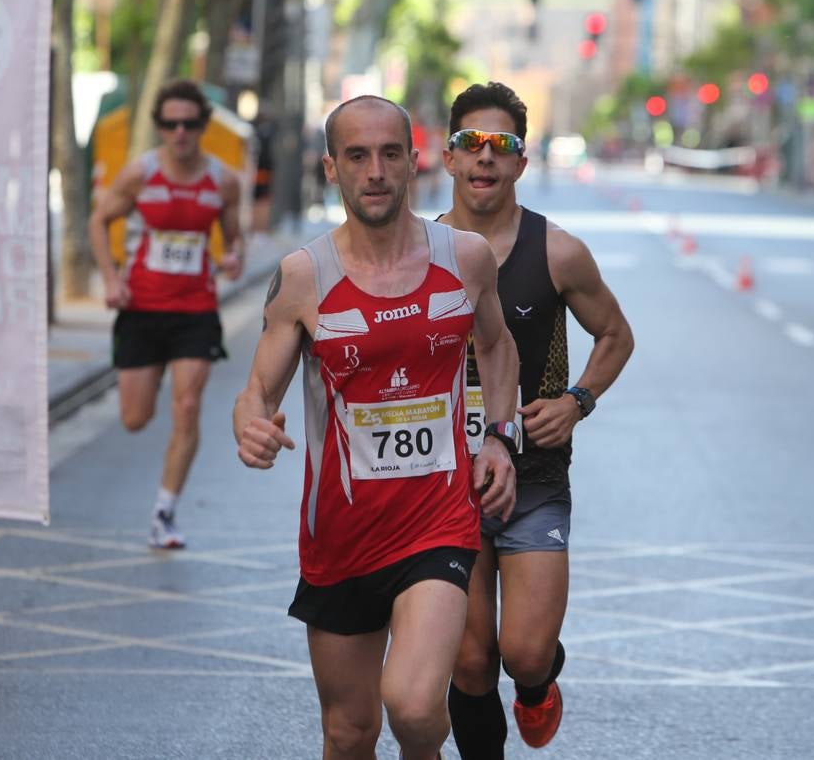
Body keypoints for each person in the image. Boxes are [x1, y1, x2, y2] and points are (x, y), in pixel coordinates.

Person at [234, 95, 521, 760]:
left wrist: (502, 438)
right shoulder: (304, 277)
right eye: (357, 156)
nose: (376, 171)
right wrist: (250, 426)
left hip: (437, 523)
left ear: (414, 163)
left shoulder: (467, 258)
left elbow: (499, 346)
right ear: (330, 168)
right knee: (348, 731)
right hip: (338, 537)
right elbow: (256, 392)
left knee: (417, 709)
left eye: (390, 153)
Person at [438, 82, 634, 757]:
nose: (485, 158)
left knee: (520, 653)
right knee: (467, 662)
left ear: (522, 162)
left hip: (534, 477)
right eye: (472, 144)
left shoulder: (558, 252)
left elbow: (616, 335)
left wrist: (577, 401)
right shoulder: (417, 253)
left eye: (503, 146)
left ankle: (537, 679)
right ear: (448, 158)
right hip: (446, 485)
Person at [88, 79, 244, 548]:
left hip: (195, 311)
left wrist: (232, 256)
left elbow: (234, 237)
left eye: (190, 123)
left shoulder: (223, 180)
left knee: (188, 405)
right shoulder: (139, 174)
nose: (180, 133)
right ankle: (151, 374)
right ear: (159, 126)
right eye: (170, 124)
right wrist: (112, 280)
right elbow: (99, 220)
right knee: (135, 418)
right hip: (140, 311)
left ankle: (164, 512)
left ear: (203, 126)